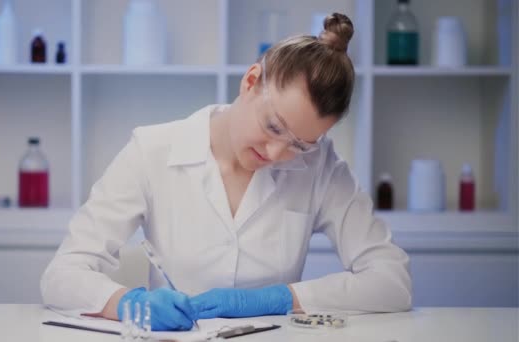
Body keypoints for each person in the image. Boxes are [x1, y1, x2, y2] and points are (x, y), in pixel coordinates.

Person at [41, 13, 412, 331]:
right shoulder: (152, 150)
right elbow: (62, 275)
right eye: (274, 126)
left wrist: (281, 298)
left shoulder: (321, 165)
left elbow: (392, 281)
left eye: (300, 144)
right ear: (250, 81)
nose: (277, 153)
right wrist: (125, 303)